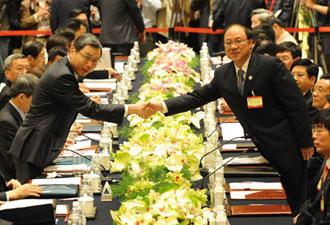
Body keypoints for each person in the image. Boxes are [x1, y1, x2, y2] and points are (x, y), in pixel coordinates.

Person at [146, 24, 314, 217]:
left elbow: (296, 105)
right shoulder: (224, 74)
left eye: (238, 41)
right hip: (261, 143)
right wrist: (162, 106)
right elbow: (197, 97)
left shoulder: (269, 66)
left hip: (287, 144)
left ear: (250, 43)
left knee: (298, 205)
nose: (233, 46)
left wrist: (305, 141)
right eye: (228, 43)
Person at [10, 33, 148, 183]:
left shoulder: (65, 67)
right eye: (86, 57)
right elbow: (91, 109)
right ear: (72, 50)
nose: (89, 64)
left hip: (42, 142)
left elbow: (80, 75)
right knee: (33, 197)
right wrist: (131, 109)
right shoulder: (62, 76)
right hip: (34, 148)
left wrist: (105, 72)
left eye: (95, 60)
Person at [0, 74, 39, 181]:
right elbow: (14, 162)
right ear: (22, 97)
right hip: (15, 182)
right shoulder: (5, 122)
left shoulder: (20, 113)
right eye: (35, 100)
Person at [295, 109, 330, 225]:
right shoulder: (326, 160)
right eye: (314, 130)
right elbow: (313, 201)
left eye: (319, 130)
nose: (314, 136)